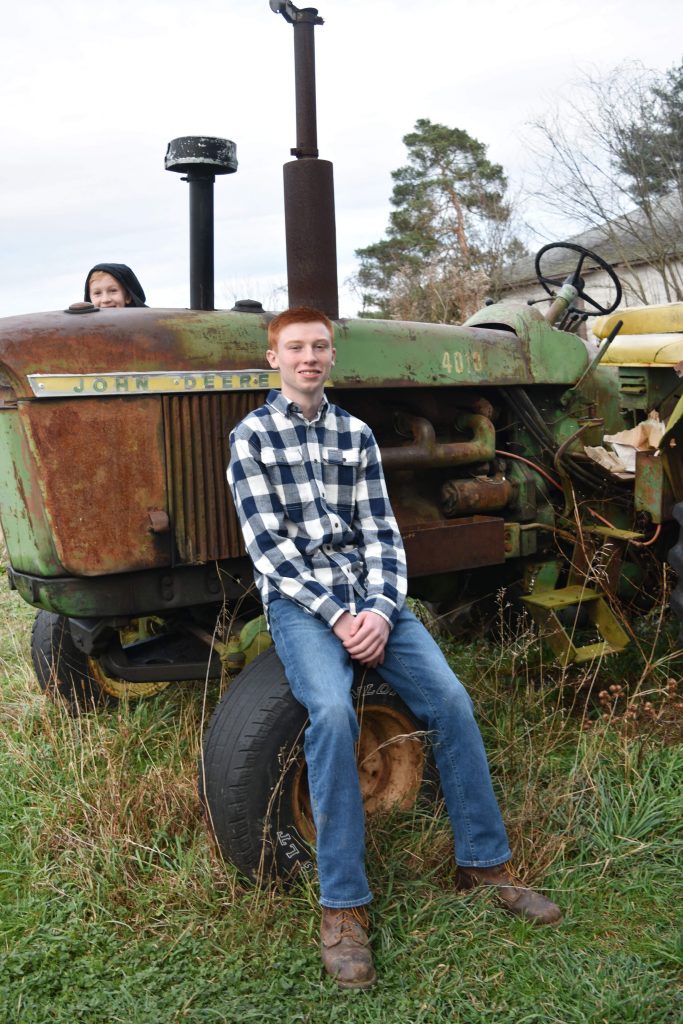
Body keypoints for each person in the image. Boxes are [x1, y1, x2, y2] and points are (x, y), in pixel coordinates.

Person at [227, 306, 561, 991]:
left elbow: (383, 535)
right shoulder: (251, 437)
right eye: (295, 348)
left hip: (372, 603)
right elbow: (268, 551)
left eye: (319, 346)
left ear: (331, 357)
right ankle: (343, 908)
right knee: (331, 713)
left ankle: (484, 865)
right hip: (302, 607)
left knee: (449, 700)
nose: (309, 357)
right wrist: (339, 617)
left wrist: (379, 612)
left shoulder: (355, 434)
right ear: (274, 360)